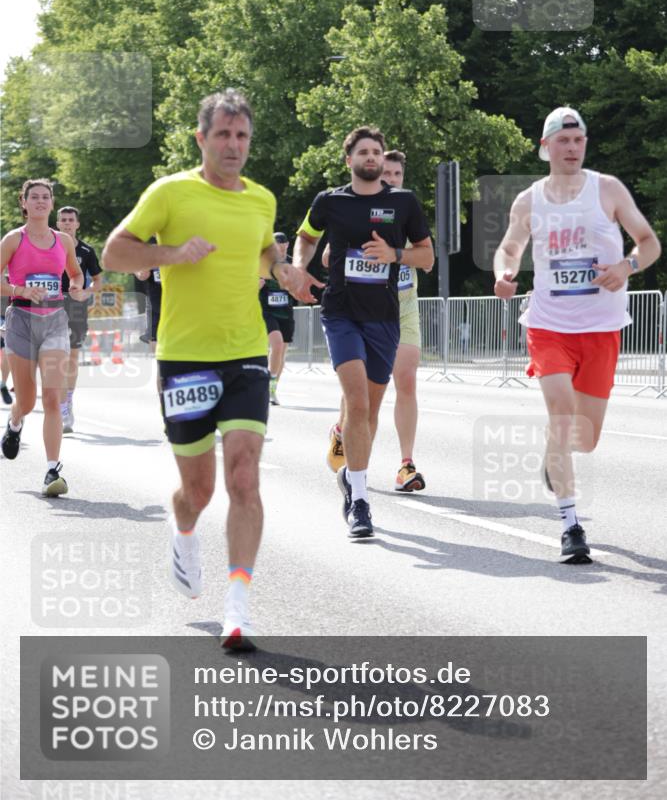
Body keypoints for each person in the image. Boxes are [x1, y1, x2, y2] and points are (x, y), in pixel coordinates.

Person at [102, 89, 316, 648]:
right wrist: (170, 255)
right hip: (185, 359)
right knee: (196, 491)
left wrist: (284, 271)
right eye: (222, 134)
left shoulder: (262, 199)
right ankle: (186, 529)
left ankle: (237, 606)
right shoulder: (170, 193)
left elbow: (262, 252)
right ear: (202, 138)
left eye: (242, 135)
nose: (233, 145)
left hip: (245, 352)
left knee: (244, 476)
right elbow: (113, 252)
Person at [494, 106, 660, 562]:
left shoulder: (607, 189)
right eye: (562, 141)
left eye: (578, 140)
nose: (571, 148)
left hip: (602, 328)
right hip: (549, 324)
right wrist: (505, 273)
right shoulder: (529, 200)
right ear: (545, 146)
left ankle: (554, 458)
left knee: (584, 438)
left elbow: (649, 242)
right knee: (562, 413)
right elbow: (510, 246)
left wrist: (626, 266)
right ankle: (570, 526)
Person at [294, 126, 433, 539]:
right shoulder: (329, 201)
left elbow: (426, 256)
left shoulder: (403, 203)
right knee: (355, 404)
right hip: (340, 313)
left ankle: (350, 476)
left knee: (370, 412)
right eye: (364, 152)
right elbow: (305, 236)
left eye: (376, 151)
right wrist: (301, 269)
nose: (371, 157)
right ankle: (360, 500)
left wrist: (395, 254)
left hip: (385, 318)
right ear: (349, 159)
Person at [325, 149, 433, 492]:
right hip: (362, 309)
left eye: (397, 174)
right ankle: (345, 432)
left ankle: (406, 464)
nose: (391, 179)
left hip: (403, 305)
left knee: (407, 380)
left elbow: (428, 260)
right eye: (385, 173)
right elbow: (328, 257)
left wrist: (399, 254)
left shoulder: (406, 210)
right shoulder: (355, 211)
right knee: (364, 395)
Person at [0, 179, 84, 496]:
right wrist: (19, 289)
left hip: (54, 321)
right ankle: (15, 423)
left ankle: (52, 470)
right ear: (24, 203)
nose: (39, 201)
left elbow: (75, 273)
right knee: (26, 399)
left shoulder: (63, 241)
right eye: (33, 197)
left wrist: (75, 285)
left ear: (51, 203)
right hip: (21, 319)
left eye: (44, 197)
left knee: (52, 398)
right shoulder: (13, 240)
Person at [56, 206, 103, 432]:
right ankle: (57, 398)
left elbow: (98, 281)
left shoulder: (86, 250)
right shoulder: (49, 246)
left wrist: (86, 292)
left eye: (70, 220)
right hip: (50, 306)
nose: (66, 223)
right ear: (57, 223)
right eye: (63, 219)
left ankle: (67, 403)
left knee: (72, 356)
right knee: (54, 355)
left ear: (77, 224)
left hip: (76, 307)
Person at [259, 231, 295, 405]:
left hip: (285, 312)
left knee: (282, 352)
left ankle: (272, 388)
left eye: (283, 243)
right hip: (267, 311)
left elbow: (297, 286)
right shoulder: (263, 261)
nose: (281, 246)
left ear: (287, 245)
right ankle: (266, 383)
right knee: (277, 345)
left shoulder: (291, 263)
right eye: (277, 243)